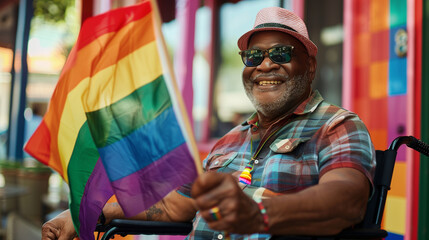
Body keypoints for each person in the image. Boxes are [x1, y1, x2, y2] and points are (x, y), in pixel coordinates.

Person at [41, 6, 375, 240]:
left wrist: (258, 215)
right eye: (254, 57)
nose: (265, 65)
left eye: (282, 54)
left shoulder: (337, 125)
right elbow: (175, 206)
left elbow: (346, 201)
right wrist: (90, 212)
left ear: (310, 66)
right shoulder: (229, 140)